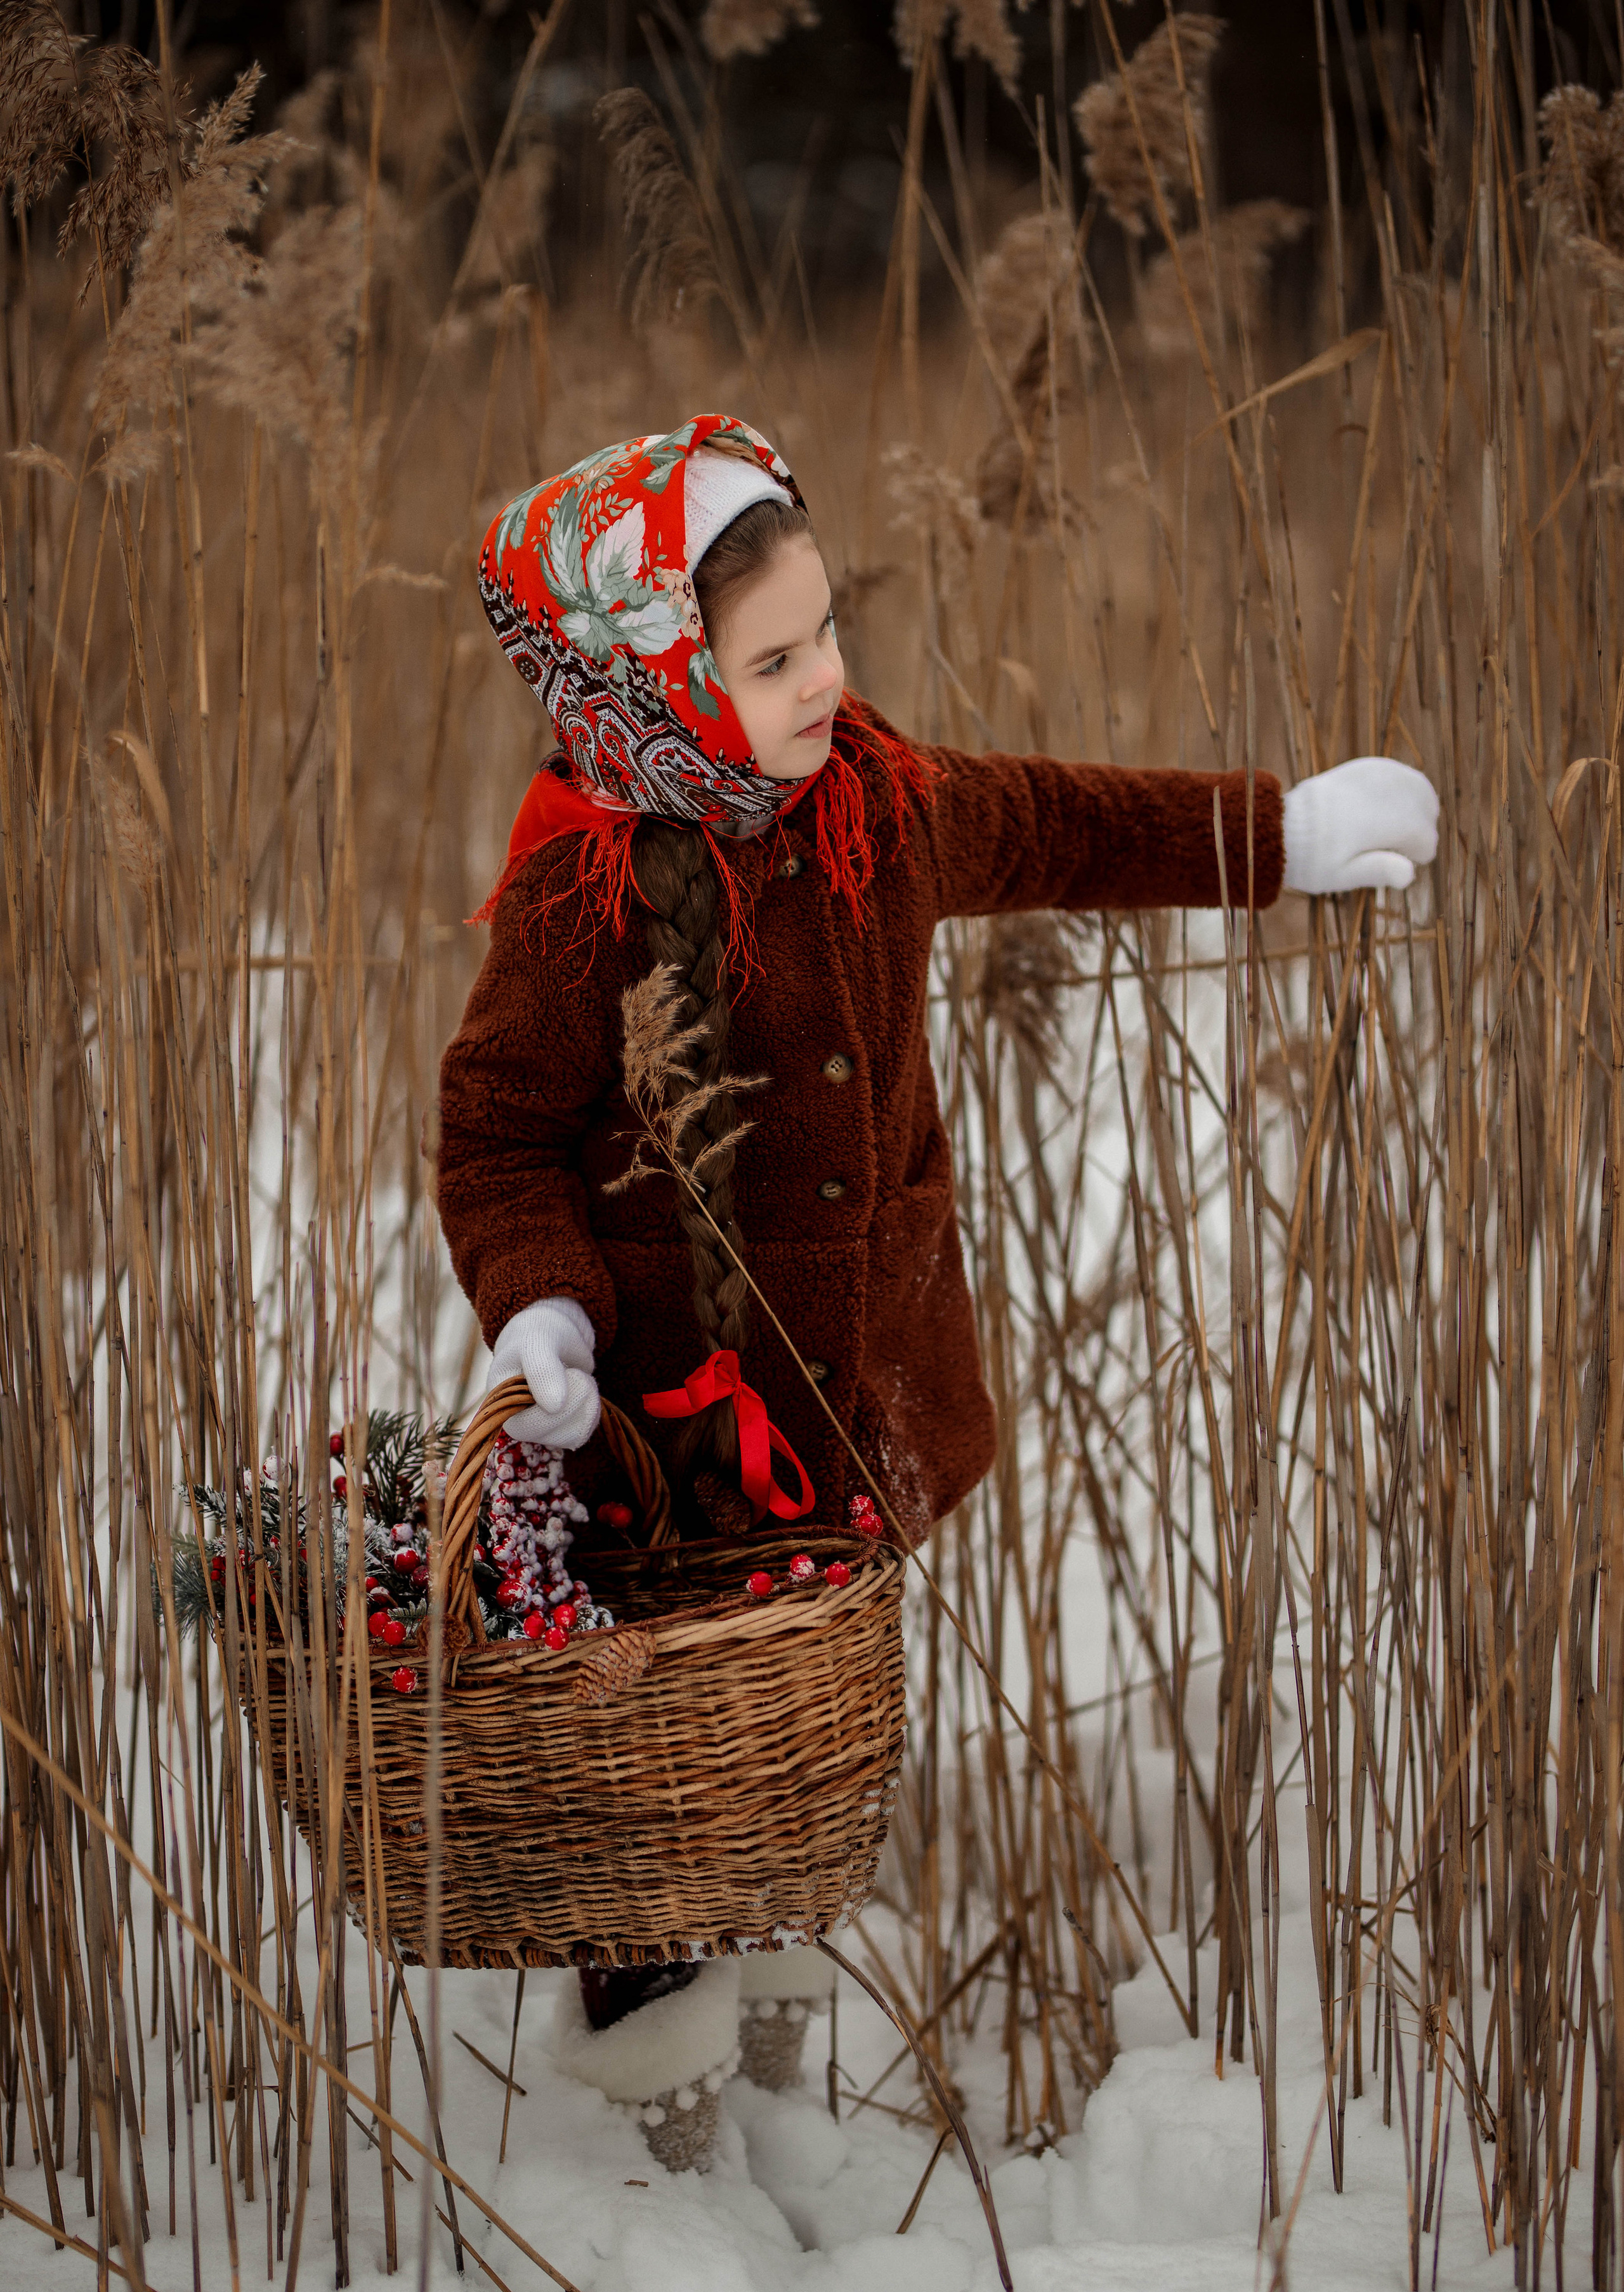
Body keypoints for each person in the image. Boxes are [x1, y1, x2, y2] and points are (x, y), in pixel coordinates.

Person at [435, 412, 1439, 2166]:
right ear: (654, 675)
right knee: (656, 1785)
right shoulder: (576, 885)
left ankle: (777, 2124)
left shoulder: (879, 812)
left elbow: (1060, 823)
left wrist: (1271, 835)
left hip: (853, 1413)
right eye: (771, 657)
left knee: (788, 1769)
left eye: (828, 631)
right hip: (660, 1451)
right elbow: (497, 1135)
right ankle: (664, 2171)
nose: (827, 677)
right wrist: (543, 1307)